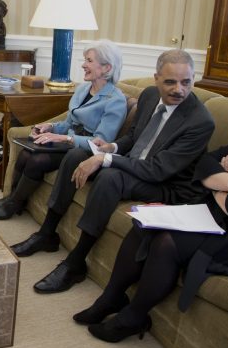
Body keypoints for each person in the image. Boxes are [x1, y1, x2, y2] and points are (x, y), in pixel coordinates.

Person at [75, 85, 228, 343]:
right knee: (145, 223)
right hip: (216, 215)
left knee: (166, 242)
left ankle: (134, 317)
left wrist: (218, 187)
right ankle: (111, 297)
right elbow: (206, 162)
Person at [13, 49, 215, 294]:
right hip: (134, 163)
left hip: (166, 185)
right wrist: (112, 147)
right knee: (76, 154)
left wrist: (105, 158)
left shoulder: (200, 121)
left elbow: (158, 170)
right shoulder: (150, 96)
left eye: (187, 82)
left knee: (110, 176)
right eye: (170, 82)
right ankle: (47, 233)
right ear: (156, 78)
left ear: (194, 78)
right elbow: (134, 136)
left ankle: (76, 262)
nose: (179, 90)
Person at [0, 40, 127, 220]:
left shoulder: (115, 100)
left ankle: (13, 204)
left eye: (89, 61)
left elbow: (101, 143)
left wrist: (64, 139)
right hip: (67, 142)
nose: (83, 65)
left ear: (107, 68)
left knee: (37, 160)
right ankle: (12, 199)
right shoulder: (83, 89)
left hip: (82, 152)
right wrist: (50, 126)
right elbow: (69, 122)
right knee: (26, 153)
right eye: (85, 60)